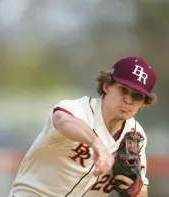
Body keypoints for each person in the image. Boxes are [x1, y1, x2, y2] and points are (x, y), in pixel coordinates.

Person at [9, 57, 157, 197]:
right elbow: (63, 121)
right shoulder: (78, 109)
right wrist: (96, 144)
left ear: (144, 103)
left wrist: (135, 191)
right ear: (106, 86)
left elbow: (142, 189)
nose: (128, 100)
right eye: (123, 89)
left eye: (137, 96)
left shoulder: (136, 136)